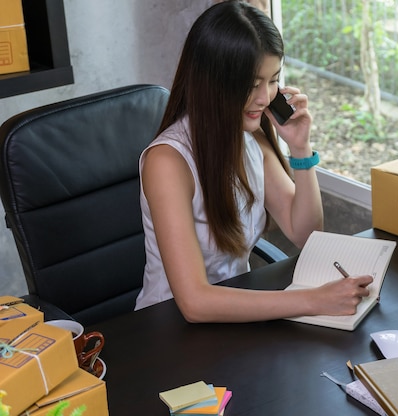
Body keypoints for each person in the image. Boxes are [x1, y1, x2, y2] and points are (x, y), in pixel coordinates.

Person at [134, 0, 373, 323]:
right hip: (169, 330)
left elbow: (306, 234)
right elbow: (194, 302)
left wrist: (300, 149)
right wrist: (313, 300)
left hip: (236, 317)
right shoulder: (167, 162)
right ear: (213, 81)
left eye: (273, 80)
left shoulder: (252, 141)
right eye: (251, 84)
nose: (265, 97)